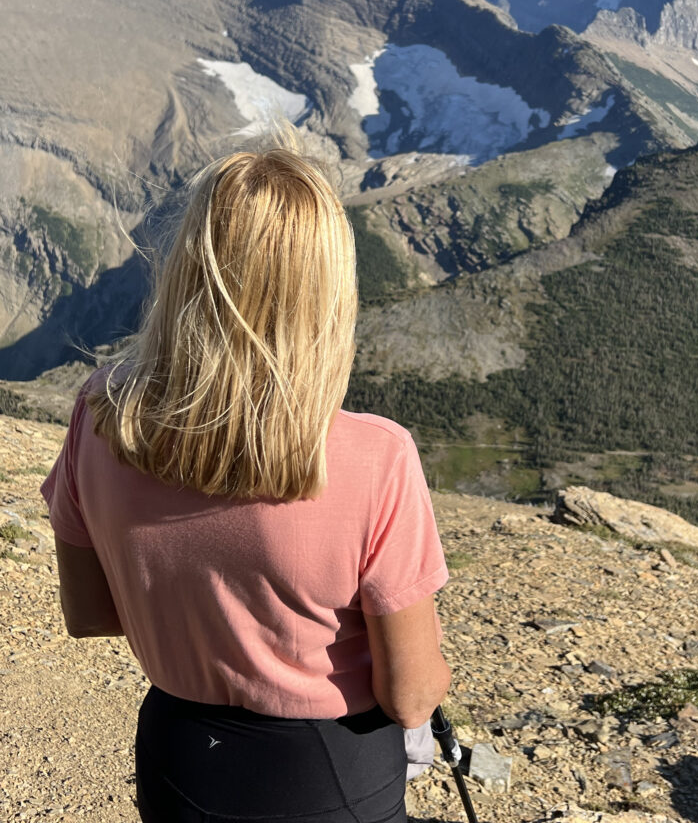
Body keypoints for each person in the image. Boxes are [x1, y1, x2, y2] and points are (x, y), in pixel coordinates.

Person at [41, 136, 451, 823]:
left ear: (189, 269)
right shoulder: (377, 454)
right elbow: (410, 695)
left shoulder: (101, 413)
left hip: (178, 758)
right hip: (330, 773)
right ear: (327, 289)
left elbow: (89, 615)